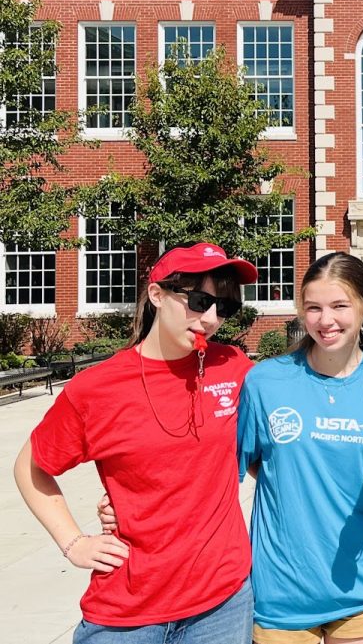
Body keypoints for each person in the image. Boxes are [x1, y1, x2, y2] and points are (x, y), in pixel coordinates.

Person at [14, 242, 259, 643]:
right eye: (199, 301)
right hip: (127, 612)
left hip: (223, 604)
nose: (212, 319)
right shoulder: (97, 388)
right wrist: (73, 542)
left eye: (225, 307)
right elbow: (30, 468)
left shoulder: (232, 366)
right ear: (157, 295)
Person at [237, 252, 363, 643]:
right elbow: (246, 463)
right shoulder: (266, 382)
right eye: (314, 308)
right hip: (281, 593)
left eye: (340, 306)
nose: (326, 321)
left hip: (361, 591)